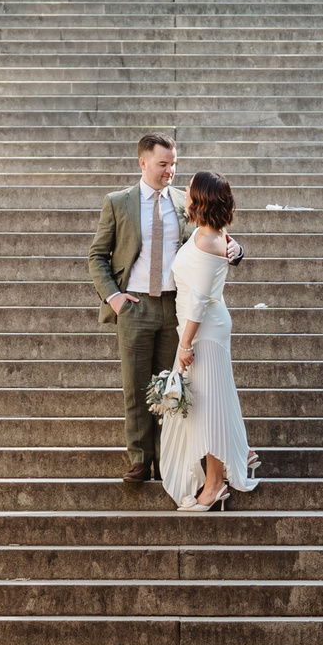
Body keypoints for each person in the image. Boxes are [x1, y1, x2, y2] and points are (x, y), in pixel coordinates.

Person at [88, 133, 240, 485]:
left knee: (174, 387)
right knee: (136, 387)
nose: (170, 170)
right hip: (135, 306)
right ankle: (140, 460)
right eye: (163, 164)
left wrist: (236, 249)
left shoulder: (185, 202)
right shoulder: (118, 202)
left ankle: (169, 460)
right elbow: (97, 255)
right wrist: (114, 297)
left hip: (175, 307)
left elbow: (212, 232)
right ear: (143, 162)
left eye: (174, 164)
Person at [163, 170, 257, 512]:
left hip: (203, 332)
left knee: (209, 407)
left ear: (201, 199)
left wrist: (185, 344)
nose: (185, 192)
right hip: (201, 327)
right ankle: (240, 452)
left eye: (190, 189)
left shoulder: (207, 240)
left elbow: (200, 301)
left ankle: (216, 483)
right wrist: (237, 248)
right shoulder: (208, 232)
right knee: (209, 403)